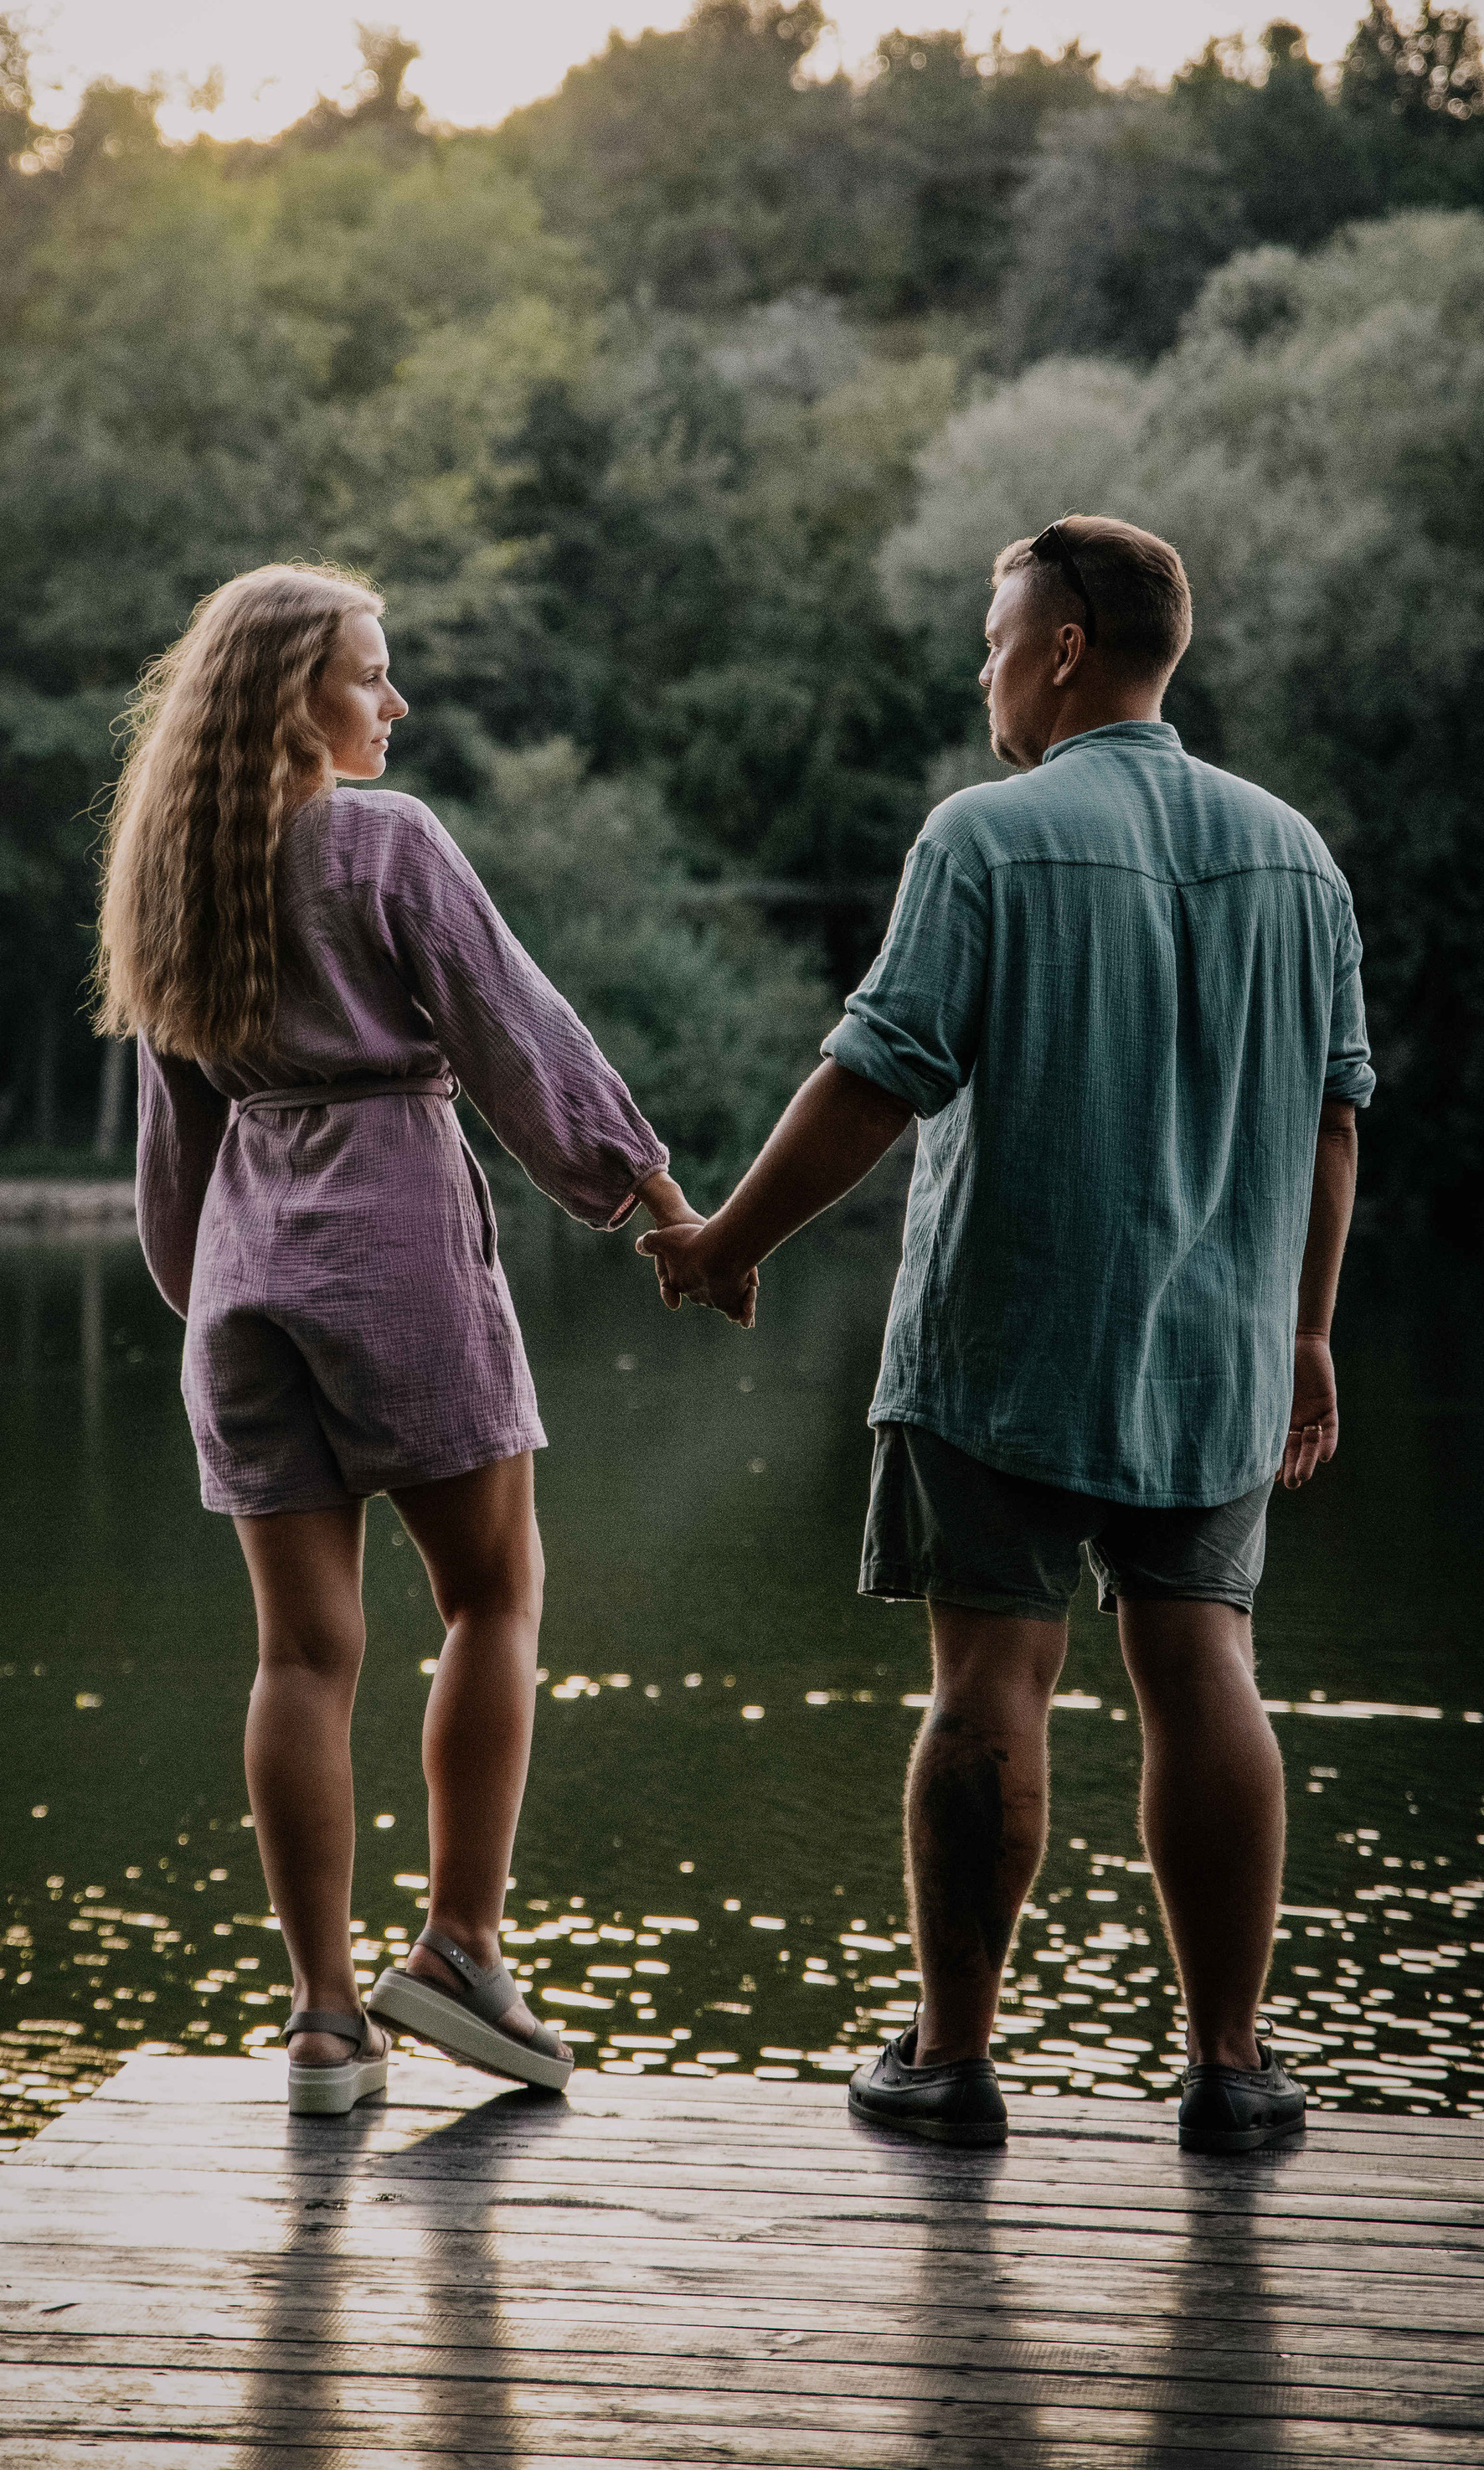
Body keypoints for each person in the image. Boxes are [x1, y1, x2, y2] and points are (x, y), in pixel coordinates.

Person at [641, 514, 1370, 2155]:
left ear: (1057, 646)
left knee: (987, 1683)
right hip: (1218, 1345)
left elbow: (875, 1075)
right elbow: (1333, 1122)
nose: (980, 671)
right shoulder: (1294, 856)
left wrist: (720, 1244)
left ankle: (950, 2062)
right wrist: (1305, 1339)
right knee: (1203, 1669)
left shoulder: (984, 838)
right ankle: (1233, 2070)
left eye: (990, 640)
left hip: (1000, 1343)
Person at [98, 562, 717, 2116]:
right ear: (299, 694)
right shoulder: (383, 840)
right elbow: (519, 1026)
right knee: (494, 1593)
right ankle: (457, 1947)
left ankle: (320, 2022)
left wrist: (206, 1289)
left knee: (301, 1653)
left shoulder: (174, 874)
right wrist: (655, 1194)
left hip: (248, 1274)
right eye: (373, 675)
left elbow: (174, 1134)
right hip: (393, 1244)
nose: (397, 703)